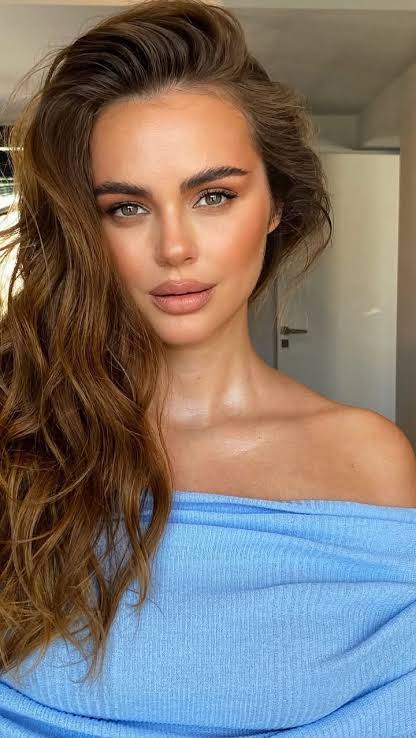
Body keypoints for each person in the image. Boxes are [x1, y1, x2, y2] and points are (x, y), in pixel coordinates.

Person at [0, 1, 415, 736]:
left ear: (276, 204)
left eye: (214, 196)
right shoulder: (22, 433)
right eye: (126, 208)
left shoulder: (368, 458)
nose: (175, 248)